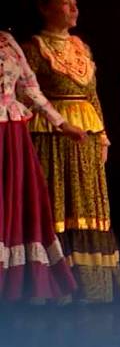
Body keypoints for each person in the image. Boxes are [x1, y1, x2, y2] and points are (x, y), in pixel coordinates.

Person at [23, 0, 120, 302]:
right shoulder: (34, 48)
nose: (74, 9)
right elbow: (26, 95)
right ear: (46, 8)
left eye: (75, 3)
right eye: (66, 3)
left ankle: (93, 287)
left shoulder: (81, 47)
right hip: (52, 136)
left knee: (88, 204)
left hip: (87, 136)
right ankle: (57, 287)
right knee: (58, 202)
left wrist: (103, 137)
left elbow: (92, 94)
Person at [1, 30, 84, 303]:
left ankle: (16, 286)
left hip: (11, 132)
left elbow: (29, 87)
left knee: (17, 201)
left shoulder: (7, 41)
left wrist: (61, 123)